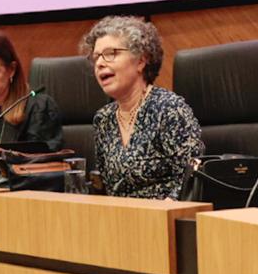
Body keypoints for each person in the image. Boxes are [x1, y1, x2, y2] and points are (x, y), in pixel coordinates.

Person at [82, 16, 203, 198]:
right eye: (96, 57)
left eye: (110, 53)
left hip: (164, 219)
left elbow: (192, 179)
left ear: (141, 60)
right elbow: (108, 187)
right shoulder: (103, 119)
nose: (99, 63)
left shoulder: (168, 109)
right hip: (121, 218)